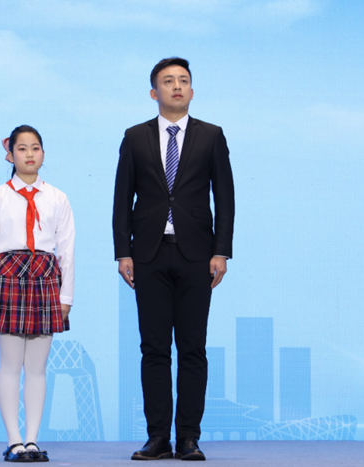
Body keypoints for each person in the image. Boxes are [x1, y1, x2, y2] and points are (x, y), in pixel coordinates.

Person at [112, 57, 234, 461]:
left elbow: (225, 197)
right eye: (168, 81)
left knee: (193, 348)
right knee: (154, 349)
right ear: (154, 92)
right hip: (147, 253)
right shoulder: (135, 136)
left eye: (183, 80)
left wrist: (221, 250)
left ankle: (188, 438)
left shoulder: (212, 135)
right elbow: (121, 197)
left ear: (192, 91)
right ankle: (157, 438)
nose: (177, 86)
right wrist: (123, 251)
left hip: (197, 254)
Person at [0, 125, 75, 463]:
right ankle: (14, 441)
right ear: (10, 155)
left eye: (35, 147)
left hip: (45, 278)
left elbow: (67, 250)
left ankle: (32, 441)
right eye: (22, 148)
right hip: (7, 276)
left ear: (43, 154)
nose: (29, 154)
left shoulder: (58, 198)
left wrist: (66, 296)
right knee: (9, 365)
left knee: (37, 367)